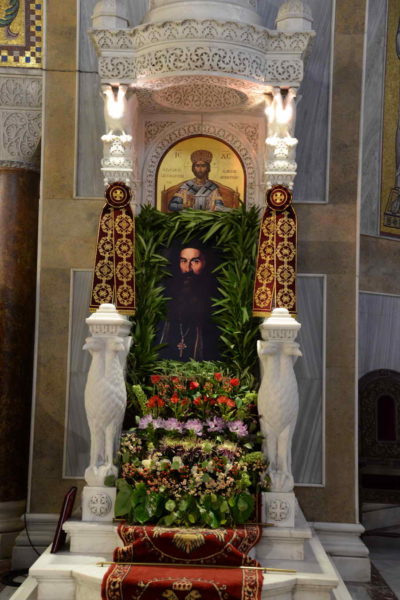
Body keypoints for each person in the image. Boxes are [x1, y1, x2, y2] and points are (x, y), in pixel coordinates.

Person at [158, 241, 220, 361]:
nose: (188, 269)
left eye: (195, 261)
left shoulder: (215, 302)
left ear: (205, 263)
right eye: (184, 261)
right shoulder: (167, 298)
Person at [167, 149, 238, 212]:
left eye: (203, 166)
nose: (200, 169)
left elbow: (219, 205)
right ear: (193, 168)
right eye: (197, 166)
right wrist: (183, 206)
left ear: (208, 168)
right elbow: (171, 206)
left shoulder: (213, 188)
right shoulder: (185, 187)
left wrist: (227, 210)